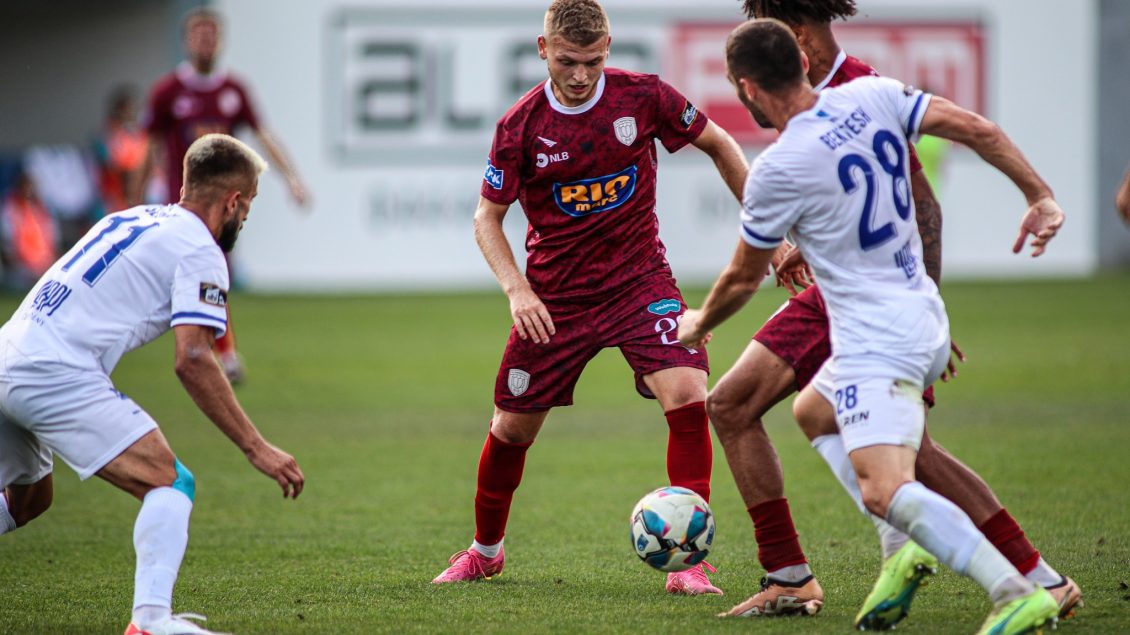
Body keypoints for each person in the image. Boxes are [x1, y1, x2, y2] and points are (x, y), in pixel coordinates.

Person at [678, 18, 1065, 634]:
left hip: (876, 339)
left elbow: (742, 281)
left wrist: (696, 324)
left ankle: (1015, 588)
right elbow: (976, 128)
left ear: (747, 89)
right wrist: (1038, 195)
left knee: (886, 490)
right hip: (921, 309)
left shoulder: (778, 169)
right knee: (812, 411)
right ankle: (915, 549)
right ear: (802, 64)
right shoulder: (870, 94)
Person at [430, 0, 748, 595]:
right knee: (511, 428)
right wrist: (518, 290)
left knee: (687, 392)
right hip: (556, 299)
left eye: (594, 62)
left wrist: (769, 233)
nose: (581, 76)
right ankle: (485, 552)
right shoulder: (520, 126)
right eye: (569, 62)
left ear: (609, 49)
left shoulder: (642, 97)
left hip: (639, 282)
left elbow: (722, 144)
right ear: (543, 49)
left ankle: (689, 563)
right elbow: (487, 218)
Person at [0, 134, 305, 635]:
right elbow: (192, 357)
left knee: (29, 500)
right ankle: (150, 622)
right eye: (247, 207)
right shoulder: (201, 249)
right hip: (54, 370)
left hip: (11, 350)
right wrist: (257, 448)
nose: (244, 219)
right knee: (170, 482)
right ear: (233, 200)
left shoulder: (130, 217)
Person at [137, 7, 309, 384]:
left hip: (224, 205)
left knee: (211, 272)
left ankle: (218, 353)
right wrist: (134, 199)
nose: (205, 42)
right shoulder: (169, 91)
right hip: (181, 202)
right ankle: (214, 353)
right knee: (192, 274)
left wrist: (291, 179)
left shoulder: (233, 91)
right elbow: (148, 147)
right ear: (186, 41)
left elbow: (263, 135)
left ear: (221, 41)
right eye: (199, 35)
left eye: (211, 35)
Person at [0, 170, 59, 289]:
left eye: (30, 186)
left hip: (45, 264)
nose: (28, 190)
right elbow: (8, 242)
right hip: (20, 266)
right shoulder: (10, 207)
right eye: (25, 185)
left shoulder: (42, 208)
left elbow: (52, 238)